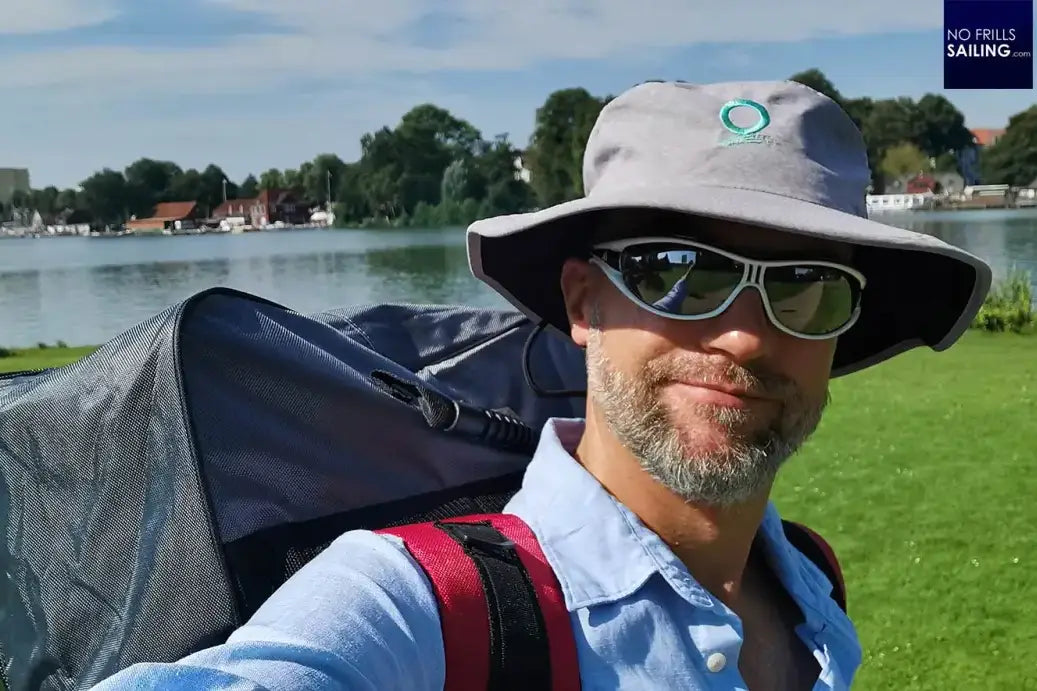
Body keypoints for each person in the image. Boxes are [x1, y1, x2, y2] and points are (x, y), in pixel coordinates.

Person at [91, 80, 990, 690]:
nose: (745, 333)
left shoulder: (808, 585)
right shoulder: (419, 604)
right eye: (676, 270)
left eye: (804, 285)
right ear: (581, 301)